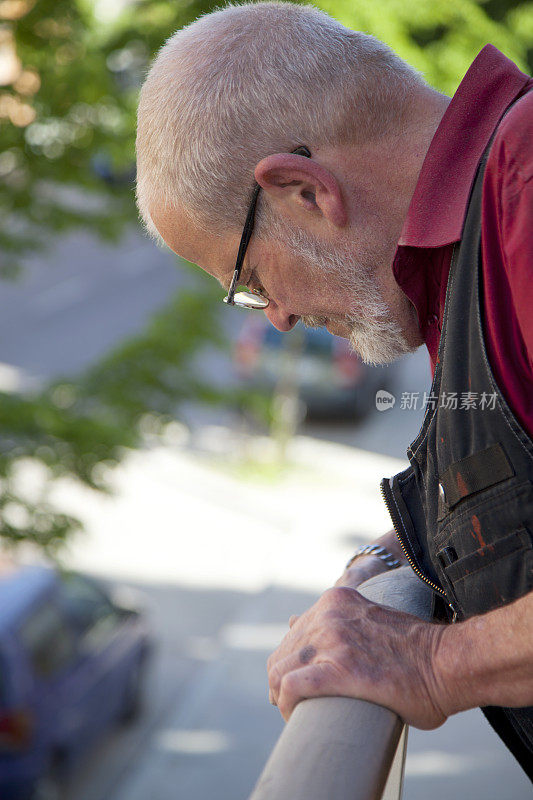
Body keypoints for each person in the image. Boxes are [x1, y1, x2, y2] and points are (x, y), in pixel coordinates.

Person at [135, 1, 533, 778]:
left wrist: (431, 663)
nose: (276, 319)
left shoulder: (523, 190)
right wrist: (403, 552)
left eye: (248, 282)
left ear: (303, 191)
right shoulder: (460, 257)